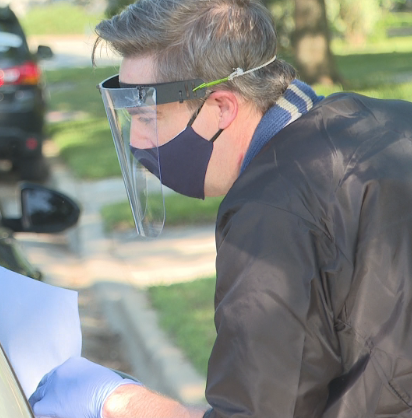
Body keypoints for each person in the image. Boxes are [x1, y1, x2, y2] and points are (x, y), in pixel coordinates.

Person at [27, 0, 412, 416]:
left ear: (221, 108)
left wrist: (118, 401)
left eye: (148, 117)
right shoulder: (386, 121)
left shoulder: (271, 214)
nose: (137, 140)